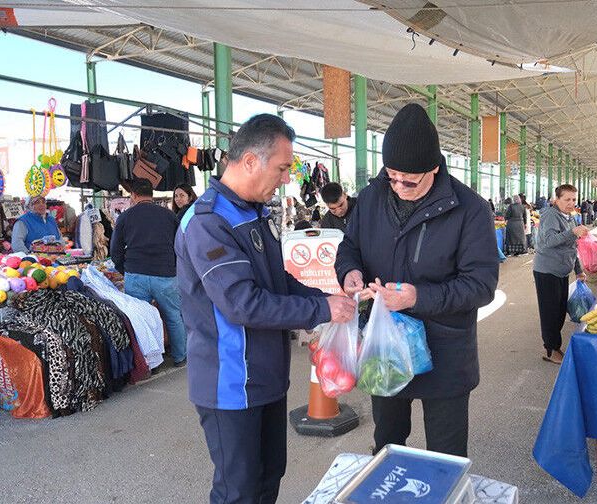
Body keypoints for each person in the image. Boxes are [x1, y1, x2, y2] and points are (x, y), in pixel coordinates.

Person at [175, 114, 356, 504]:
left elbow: (279, 281)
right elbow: (242, 303)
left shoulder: (255, 214)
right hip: (230, 383)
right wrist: (319, 311)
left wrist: (328, 300)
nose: (287, 178)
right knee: (238, 490)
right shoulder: (208, 221)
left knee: (269, 477)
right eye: (283, 168)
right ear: (251, 161)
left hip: (266, 379)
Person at [336, 103, 499, 458]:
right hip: (385, 345)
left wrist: (416, 297)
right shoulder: (371, 197)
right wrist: (349, 272)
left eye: (409, 180)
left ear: (434, 168)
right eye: (391, 175)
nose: (398, 186)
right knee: (387, 445)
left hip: (446, 352)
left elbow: (482, 284)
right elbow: (350, 247)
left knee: (446, 453)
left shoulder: (469, 209)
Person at [110, 179, 186, 367]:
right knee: (174, 316)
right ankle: (180, 357)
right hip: (166, 274)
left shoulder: (125, 217)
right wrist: (174, 267)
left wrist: (125, 270)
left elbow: (115, 250)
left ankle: (150, 363)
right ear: (151, 194)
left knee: (141, 320)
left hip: (136, 275)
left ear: (134, 196)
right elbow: (181, 246)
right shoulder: (169, 215)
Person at [534, 184, 589, 364]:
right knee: (550, 312)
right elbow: (549, 241)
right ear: (556, 199)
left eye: (574, 199)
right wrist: (572, 232)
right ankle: (550, 350)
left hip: (561, 271)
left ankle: (553, 346)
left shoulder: (571, 217)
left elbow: (572, 247)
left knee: (559, 312)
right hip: (547, 271)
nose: (571, 203)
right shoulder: (551, 216)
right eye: (567, 199)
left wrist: (579, 271)